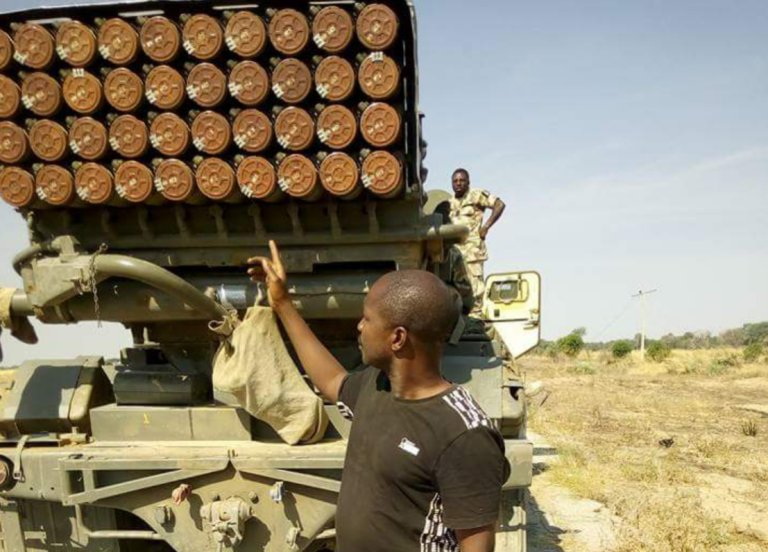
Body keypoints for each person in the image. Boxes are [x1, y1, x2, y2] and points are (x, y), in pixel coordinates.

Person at [248, 241, 509, 552]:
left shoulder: (463, 433)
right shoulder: (378, 386)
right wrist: (282, 304)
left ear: (397, 338)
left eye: (367, 319)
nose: (359, 327)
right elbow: (332, 380)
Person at [449, 169, 506, 317]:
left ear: (468, 182)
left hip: (472, 251)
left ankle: (475, 323)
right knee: (457, 289)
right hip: (454, 253)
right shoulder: (450, 202)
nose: (458, 184)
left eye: (462, 180)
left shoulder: (476, 195)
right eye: (455, 181)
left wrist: (486, 227)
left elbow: (499, 205)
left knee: (475, 289)